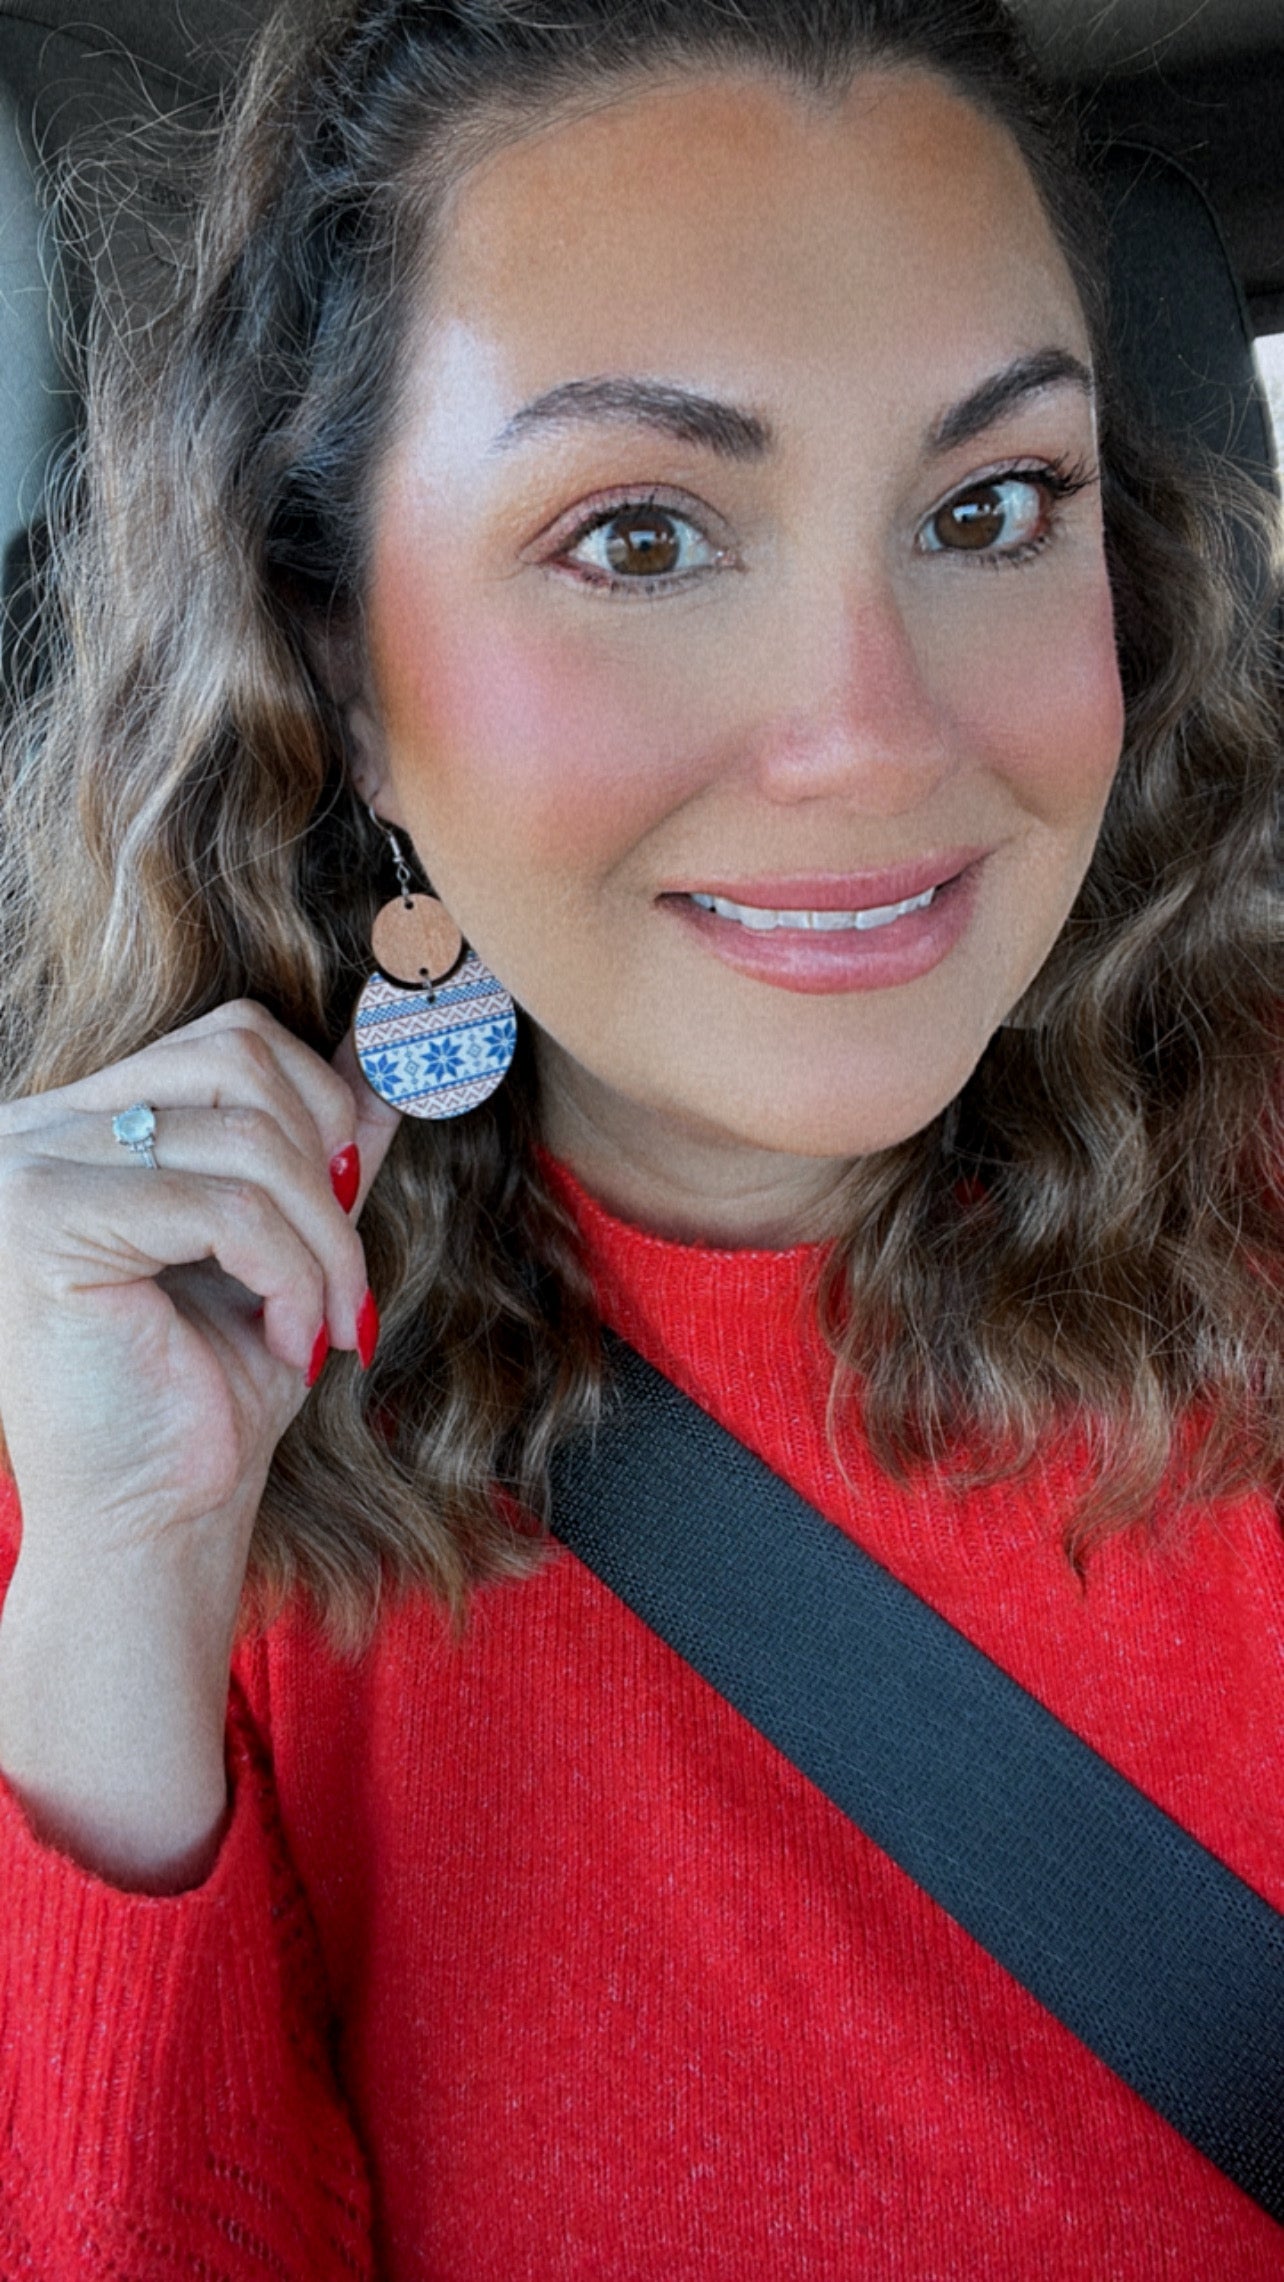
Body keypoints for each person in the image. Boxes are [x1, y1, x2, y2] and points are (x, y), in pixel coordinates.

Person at [0, 0, 1280, 2273]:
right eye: (641, 536)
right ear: (343, 675)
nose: (869, 739)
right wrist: (111, 1605)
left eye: (993, 506)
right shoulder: (128, 1406)